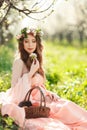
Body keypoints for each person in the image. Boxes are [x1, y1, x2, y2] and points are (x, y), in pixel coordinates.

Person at [0, 27, 87, 130]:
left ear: (37, 43)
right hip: (27, 100)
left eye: (33, 41)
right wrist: (31, 72)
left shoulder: (35, 59)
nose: (30, 45)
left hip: (40, 96)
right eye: (26, 41)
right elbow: (14, 89)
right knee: (58, 112)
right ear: (21, 44)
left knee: (66, 104)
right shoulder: (19, 62)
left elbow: (37, 84)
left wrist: (48, 93)